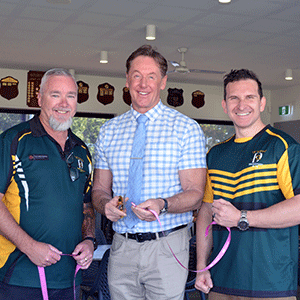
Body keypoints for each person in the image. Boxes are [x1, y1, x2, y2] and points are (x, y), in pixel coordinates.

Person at [92, 45, 206, 300]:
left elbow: (195, 195)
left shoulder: (186, 129)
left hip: (167, 246)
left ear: (163, 82)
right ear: (127, 79)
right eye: (136, 75)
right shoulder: (109, 131)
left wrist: (162, 204)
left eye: (151, 76)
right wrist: (105, 205)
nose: (143, 84)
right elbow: (99, 190)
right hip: (121, 246)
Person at [195, 69, 300, 300]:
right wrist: (202, 266)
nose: (242, 105)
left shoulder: (282, 147)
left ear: (262, 103)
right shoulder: (216, 154)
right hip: (221, 281)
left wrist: (242, 218)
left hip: (272, 283)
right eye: (234, 98)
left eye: (249, 97)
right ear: (225, 105)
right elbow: (206, 210)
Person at [0, 68, 96, 300]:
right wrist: (29, 246)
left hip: (69, 277)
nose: (64, 103)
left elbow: (86, 206)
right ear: (39, 98)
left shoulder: (82, 151)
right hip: (18, 275)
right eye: (55, 94)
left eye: (71, 96)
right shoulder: (13, 141)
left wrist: (90, 240)